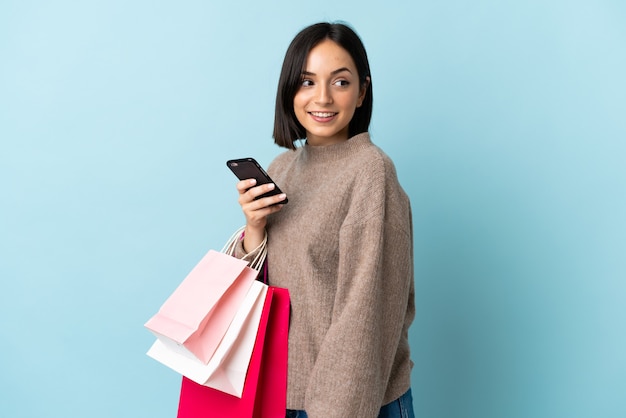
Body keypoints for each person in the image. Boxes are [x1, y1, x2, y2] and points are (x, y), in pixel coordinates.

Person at [233, 22, 415, 418]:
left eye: (341, 82)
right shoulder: (282, 168)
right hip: (277, 397)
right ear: (290, 91)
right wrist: (255, 227)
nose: (323, 98)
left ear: (362, 91)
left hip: (346, 404)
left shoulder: (370, 172)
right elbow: (251, 296)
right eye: (307, 81)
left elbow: (365, 315)